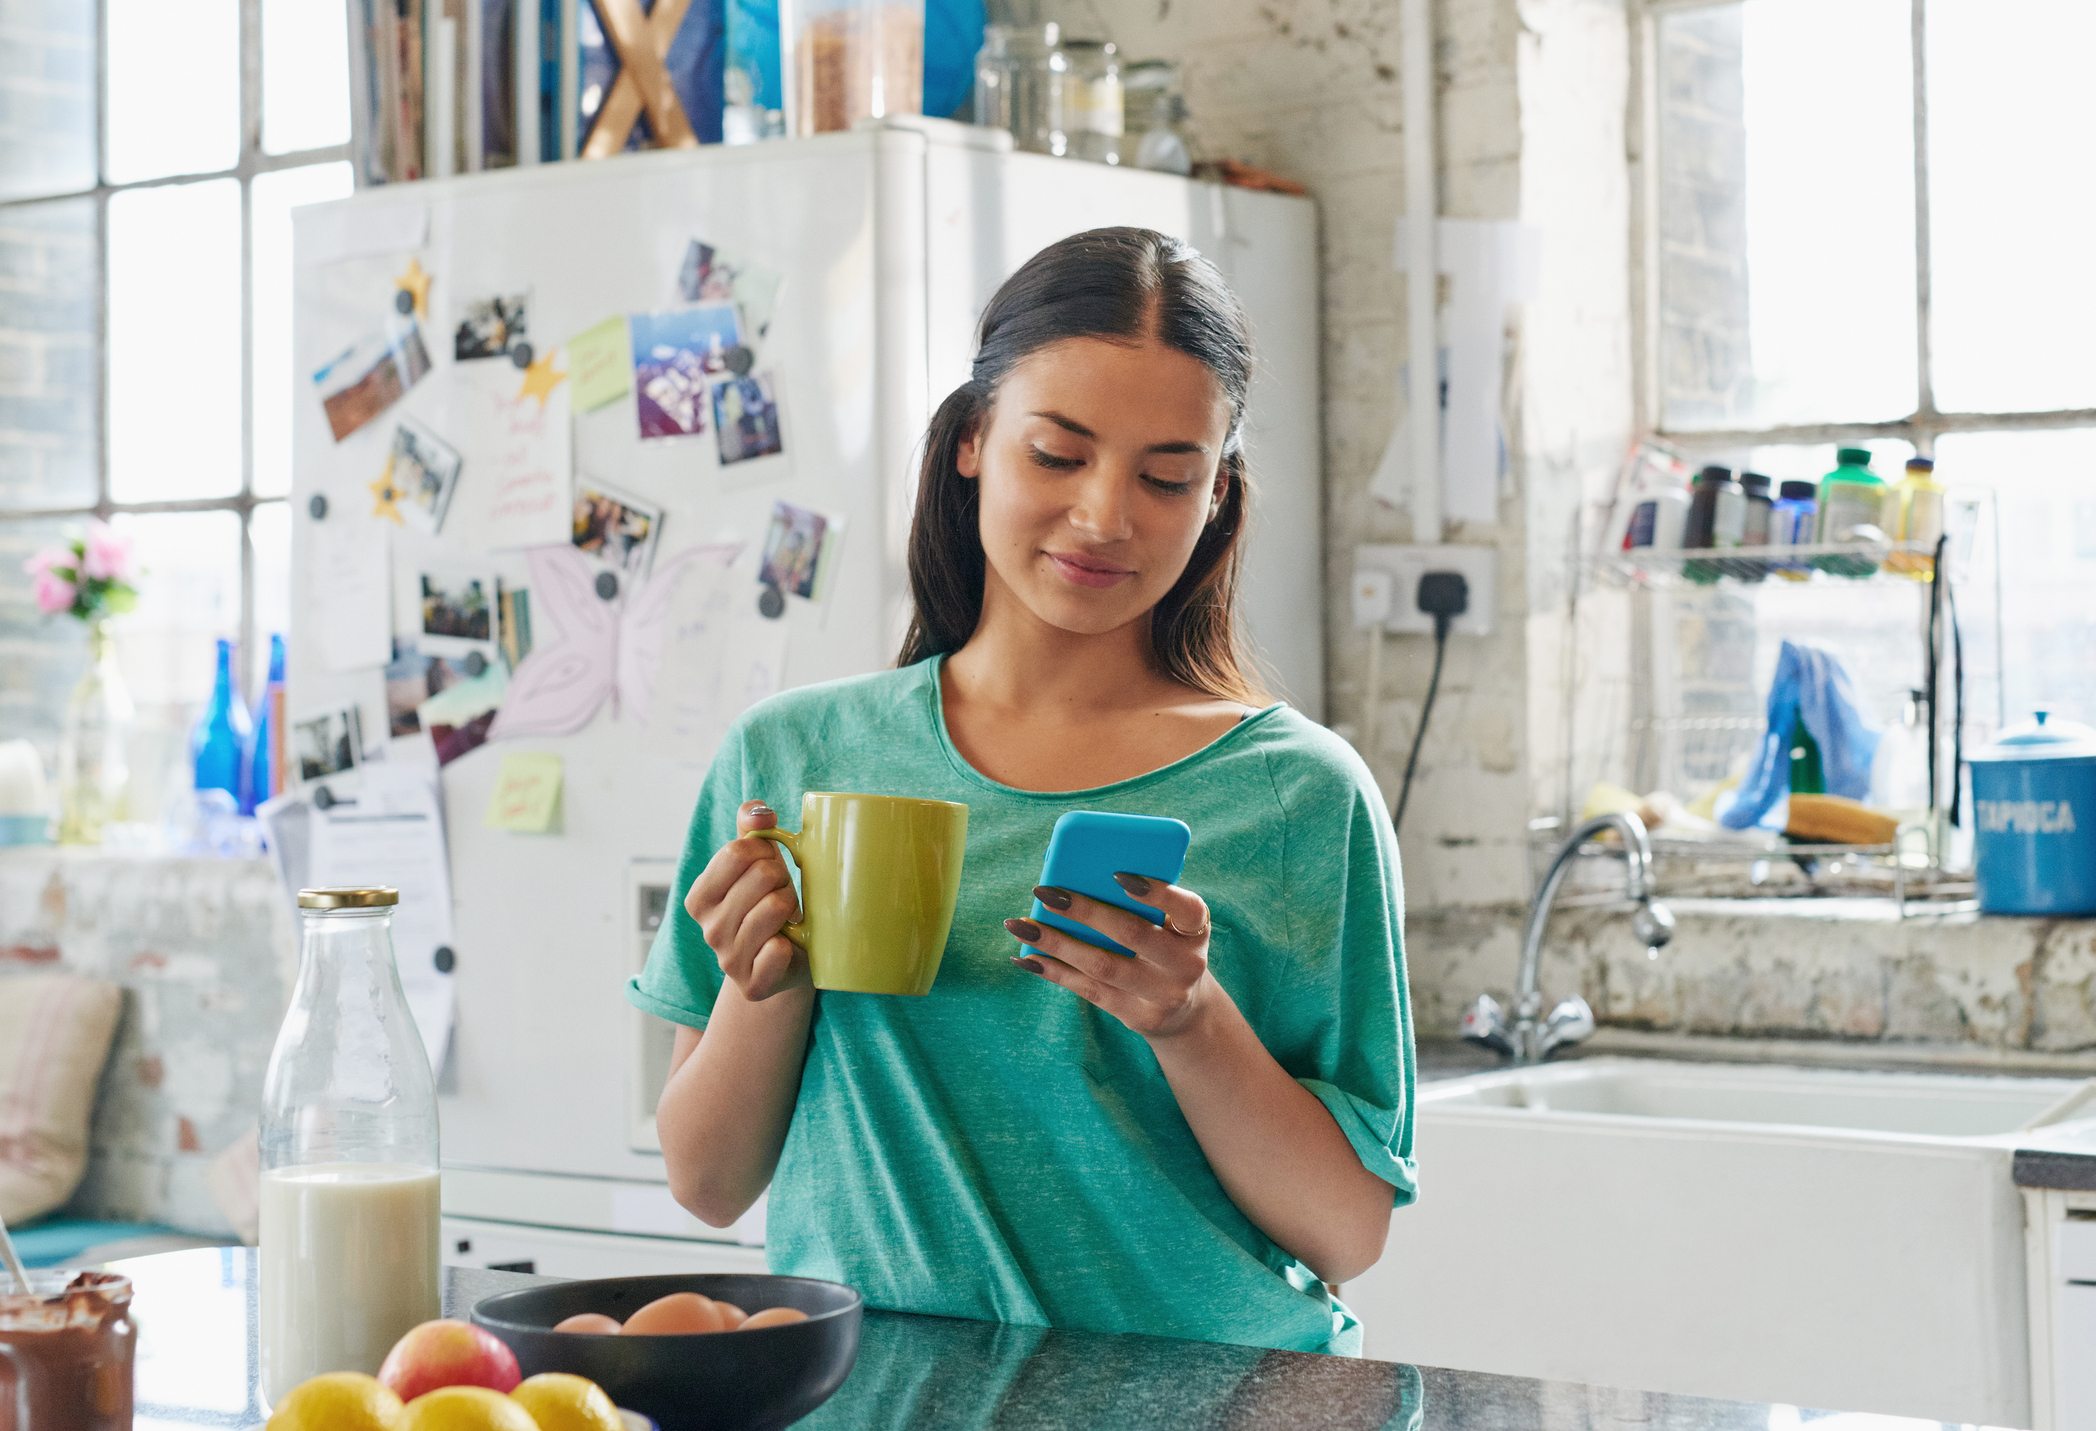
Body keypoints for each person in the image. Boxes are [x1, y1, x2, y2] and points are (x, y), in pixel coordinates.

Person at [630, 227, 1415, 1356]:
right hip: (881, 1398)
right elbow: (705, 1182)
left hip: (1210, 1401)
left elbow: (1346, 1233)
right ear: (970, 442)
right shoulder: (794, 759)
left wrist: (1187, 1021)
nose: (1105, 517)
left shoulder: (1297, 795)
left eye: (1165, 478)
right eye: (1057, 455)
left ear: (1216, 498)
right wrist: (767, 981)